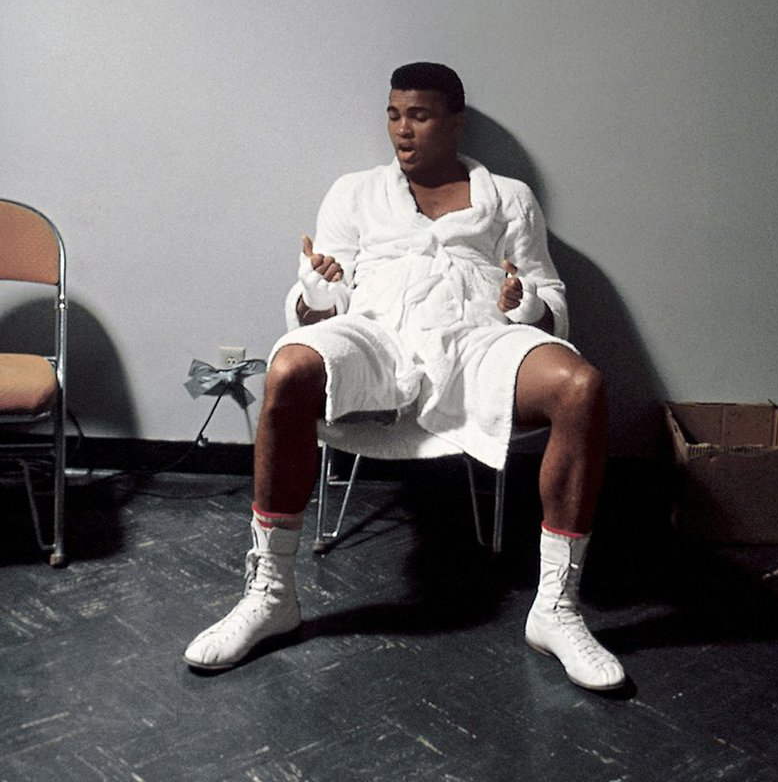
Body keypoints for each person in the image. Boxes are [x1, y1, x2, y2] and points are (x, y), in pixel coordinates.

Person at [184, 63, 625, 691]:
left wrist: (521, 301)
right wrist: (317, 290)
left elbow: (550, 297)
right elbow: (317, 301)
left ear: (453, 120)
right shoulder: (355, 192)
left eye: (417, 115)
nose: (401, 130)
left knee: (582, 387)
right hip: (377, 334)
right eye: (393, 114)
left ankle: (556, 608)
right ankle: (272, 594)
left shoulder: (508, 196)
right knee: (288, 366)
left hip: (480, 339)